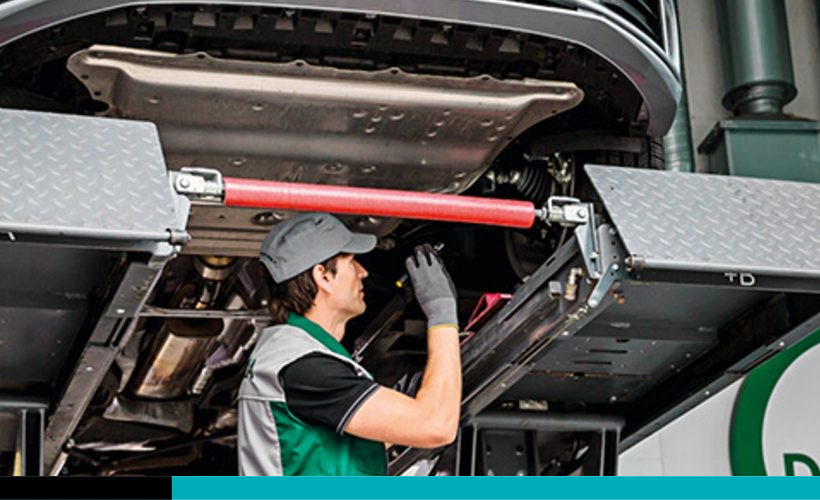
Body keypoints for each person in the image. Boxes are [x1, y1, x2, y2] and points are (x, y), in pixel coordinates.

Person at [238, 212, 461, 475]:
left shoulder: (290, 355)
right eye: (352, 262)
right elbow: (437, 427)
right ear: (323, 276)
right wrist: (442, 314)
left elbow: (330, 450)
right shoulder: (304, 366)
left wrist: (404, 406)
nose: (363, 272)